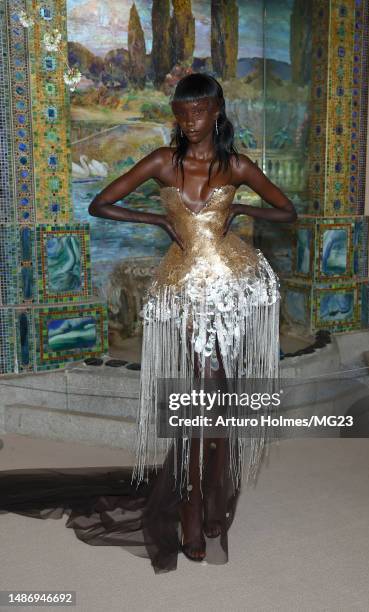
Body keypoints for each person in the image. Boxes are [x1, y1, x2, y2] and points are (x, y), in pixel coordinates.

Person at [0, 73, 297, 572]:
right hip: (184, 289)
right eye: (182, 113)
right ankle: (189, 509)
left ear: (217, 112)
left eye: (199, 112)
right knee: (198, 396)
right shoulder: (164, 161)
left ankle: (212, 500)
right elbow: (101, 203)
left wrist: (239, 207)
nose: (189, 121)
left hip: (235, 287)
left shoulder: (238, 166)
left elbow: (286, 211)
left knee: (221, 398)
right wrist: (159, 221)